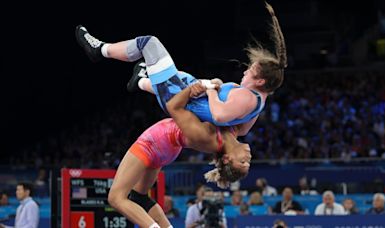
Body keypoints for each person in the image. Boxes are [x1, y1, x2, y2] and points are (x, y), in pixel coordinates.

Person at [75, 2, 287, 136]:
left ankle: (100, 49)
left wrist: (212, 90)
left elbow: (221, 116)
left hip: (179, 100)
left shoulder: (248, 98)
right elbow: (240, 131)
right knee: (184, 76)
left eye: (250, 71)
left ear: (260, 81)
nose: (245, 71)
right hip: (183, 101)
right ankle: (140, 81)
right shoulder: (259, 102)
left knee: (149, 44)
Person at [107, 83, 251, 228]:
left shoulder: (207, 137)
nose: (248, 160)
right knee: (139, 197)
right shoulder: (236, 130)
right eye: (247, 164)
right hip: (168, 149)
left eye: (243, 163)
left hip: (155, 142)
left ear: (227, 158)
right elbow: (255, 103)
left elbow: (173, 106)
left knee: (116, 198)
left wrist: (192, 89)